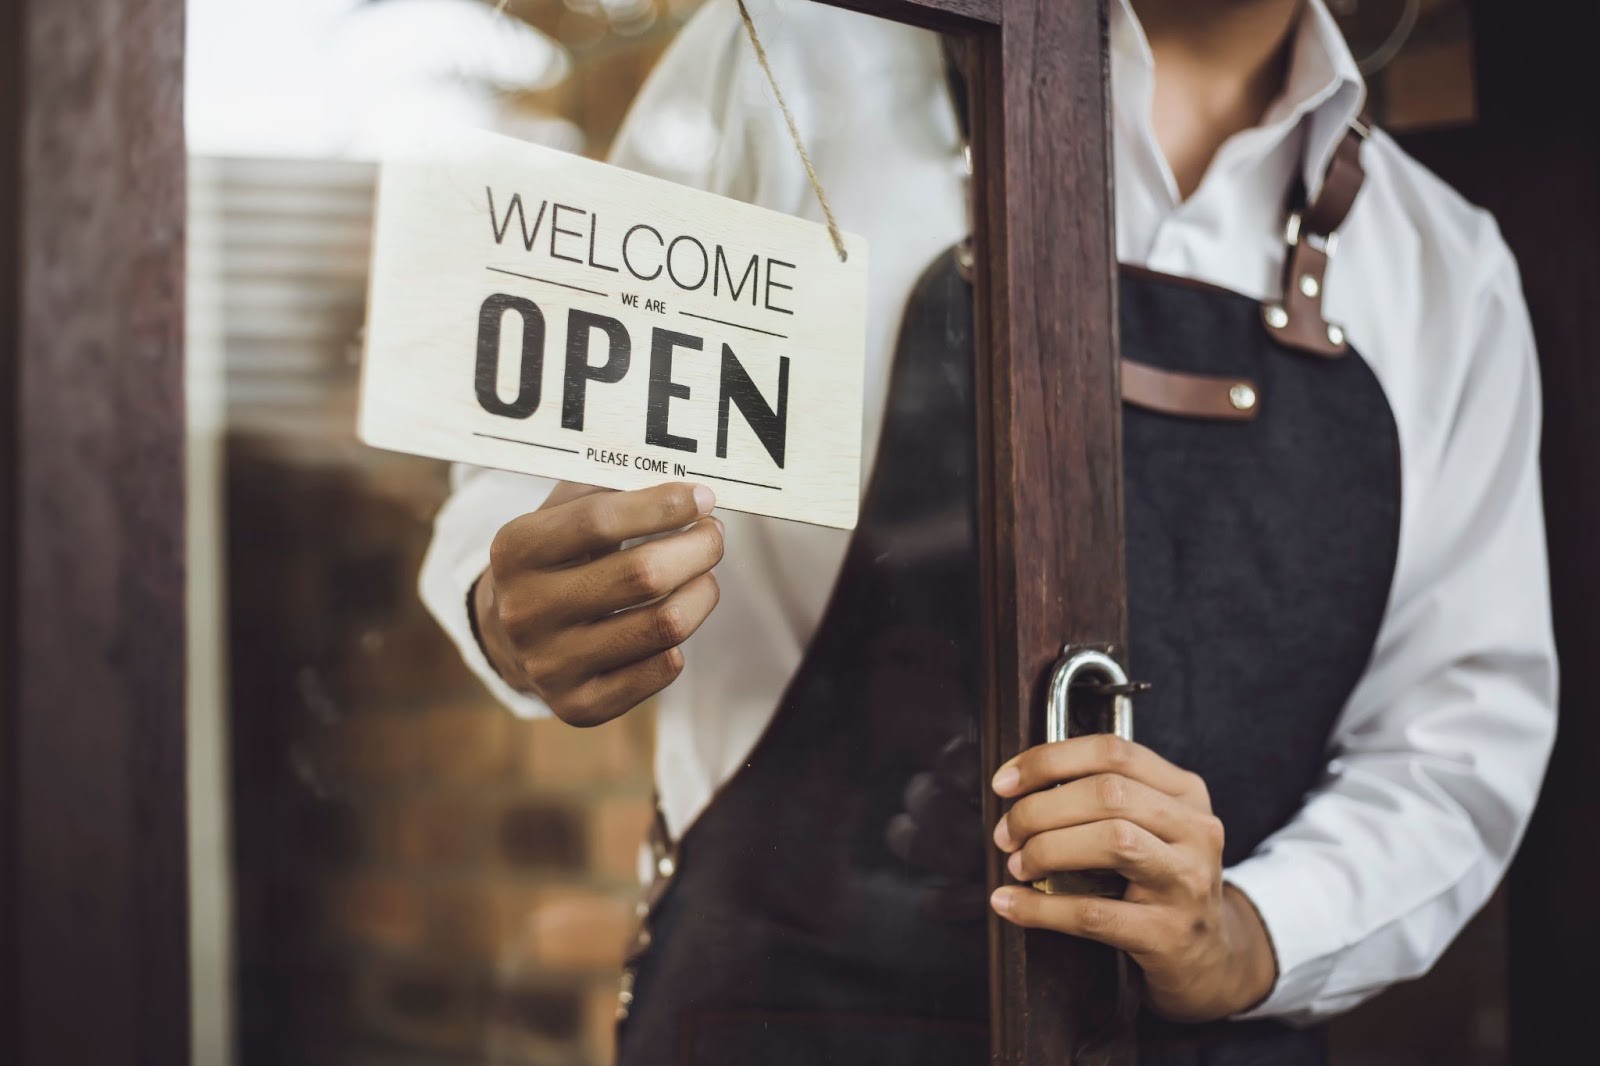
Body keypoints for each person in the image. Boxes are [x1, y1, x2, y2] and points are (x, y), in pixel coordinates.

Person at [420, 0, 1557, 1062]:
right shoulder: (796, 53)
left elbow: (1458, 741)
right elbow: (528, 479)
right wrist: (513, 602)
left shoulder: (1446, 270)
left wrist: (1247, 933)